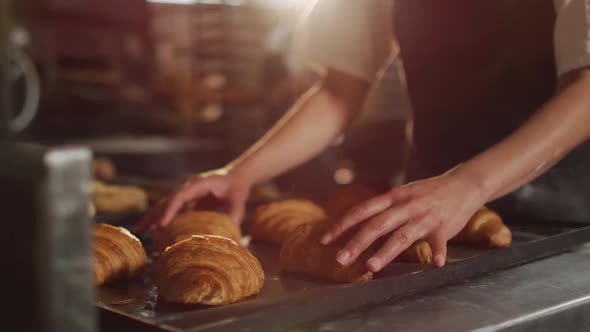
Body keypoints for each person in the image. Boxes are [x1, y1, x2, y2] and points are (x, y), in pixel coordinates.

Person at [136, 0, 590, 273]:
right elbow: (339, 90)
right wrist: (241, 173)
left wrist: (468, 185)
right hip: (427, 225)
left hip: (568, 224)